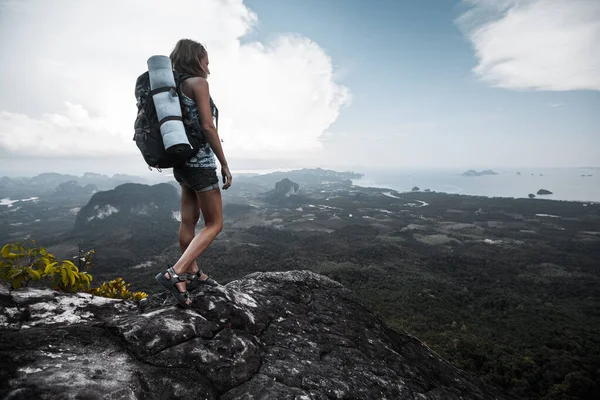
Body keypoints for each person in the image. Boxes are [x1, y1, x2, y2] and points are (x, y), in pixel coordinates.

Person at [156, 38, 232, 308]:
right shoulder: (199, 84)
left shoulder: (173, 89)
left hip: (182, 162)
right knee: (215, 224)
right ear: (196, 59)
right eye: (206, 59)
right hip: (200, 163)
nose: (208, 64)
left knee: (189, 220)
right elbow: (208, 127)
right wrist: (223, 162)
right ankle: (176, 272)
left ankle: (193, 273)